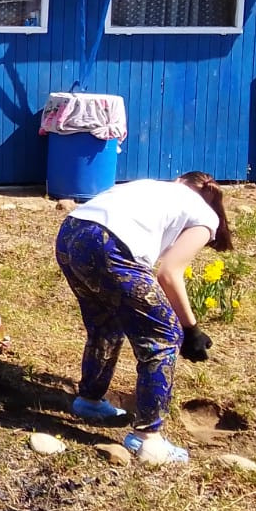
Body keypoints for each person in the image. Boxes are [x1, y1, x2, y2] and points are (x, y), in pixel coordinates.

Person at [54, 171, 233, 463]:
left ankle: (89, 400)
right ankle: (148, 439)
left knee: (105, 323)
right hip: (110, 245)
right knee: (164, 336)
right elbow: (169, 273)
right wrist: (191, 329)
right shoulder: (206, 215)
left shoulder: (150, 185)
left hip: (71, 233)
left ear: (179, 180)